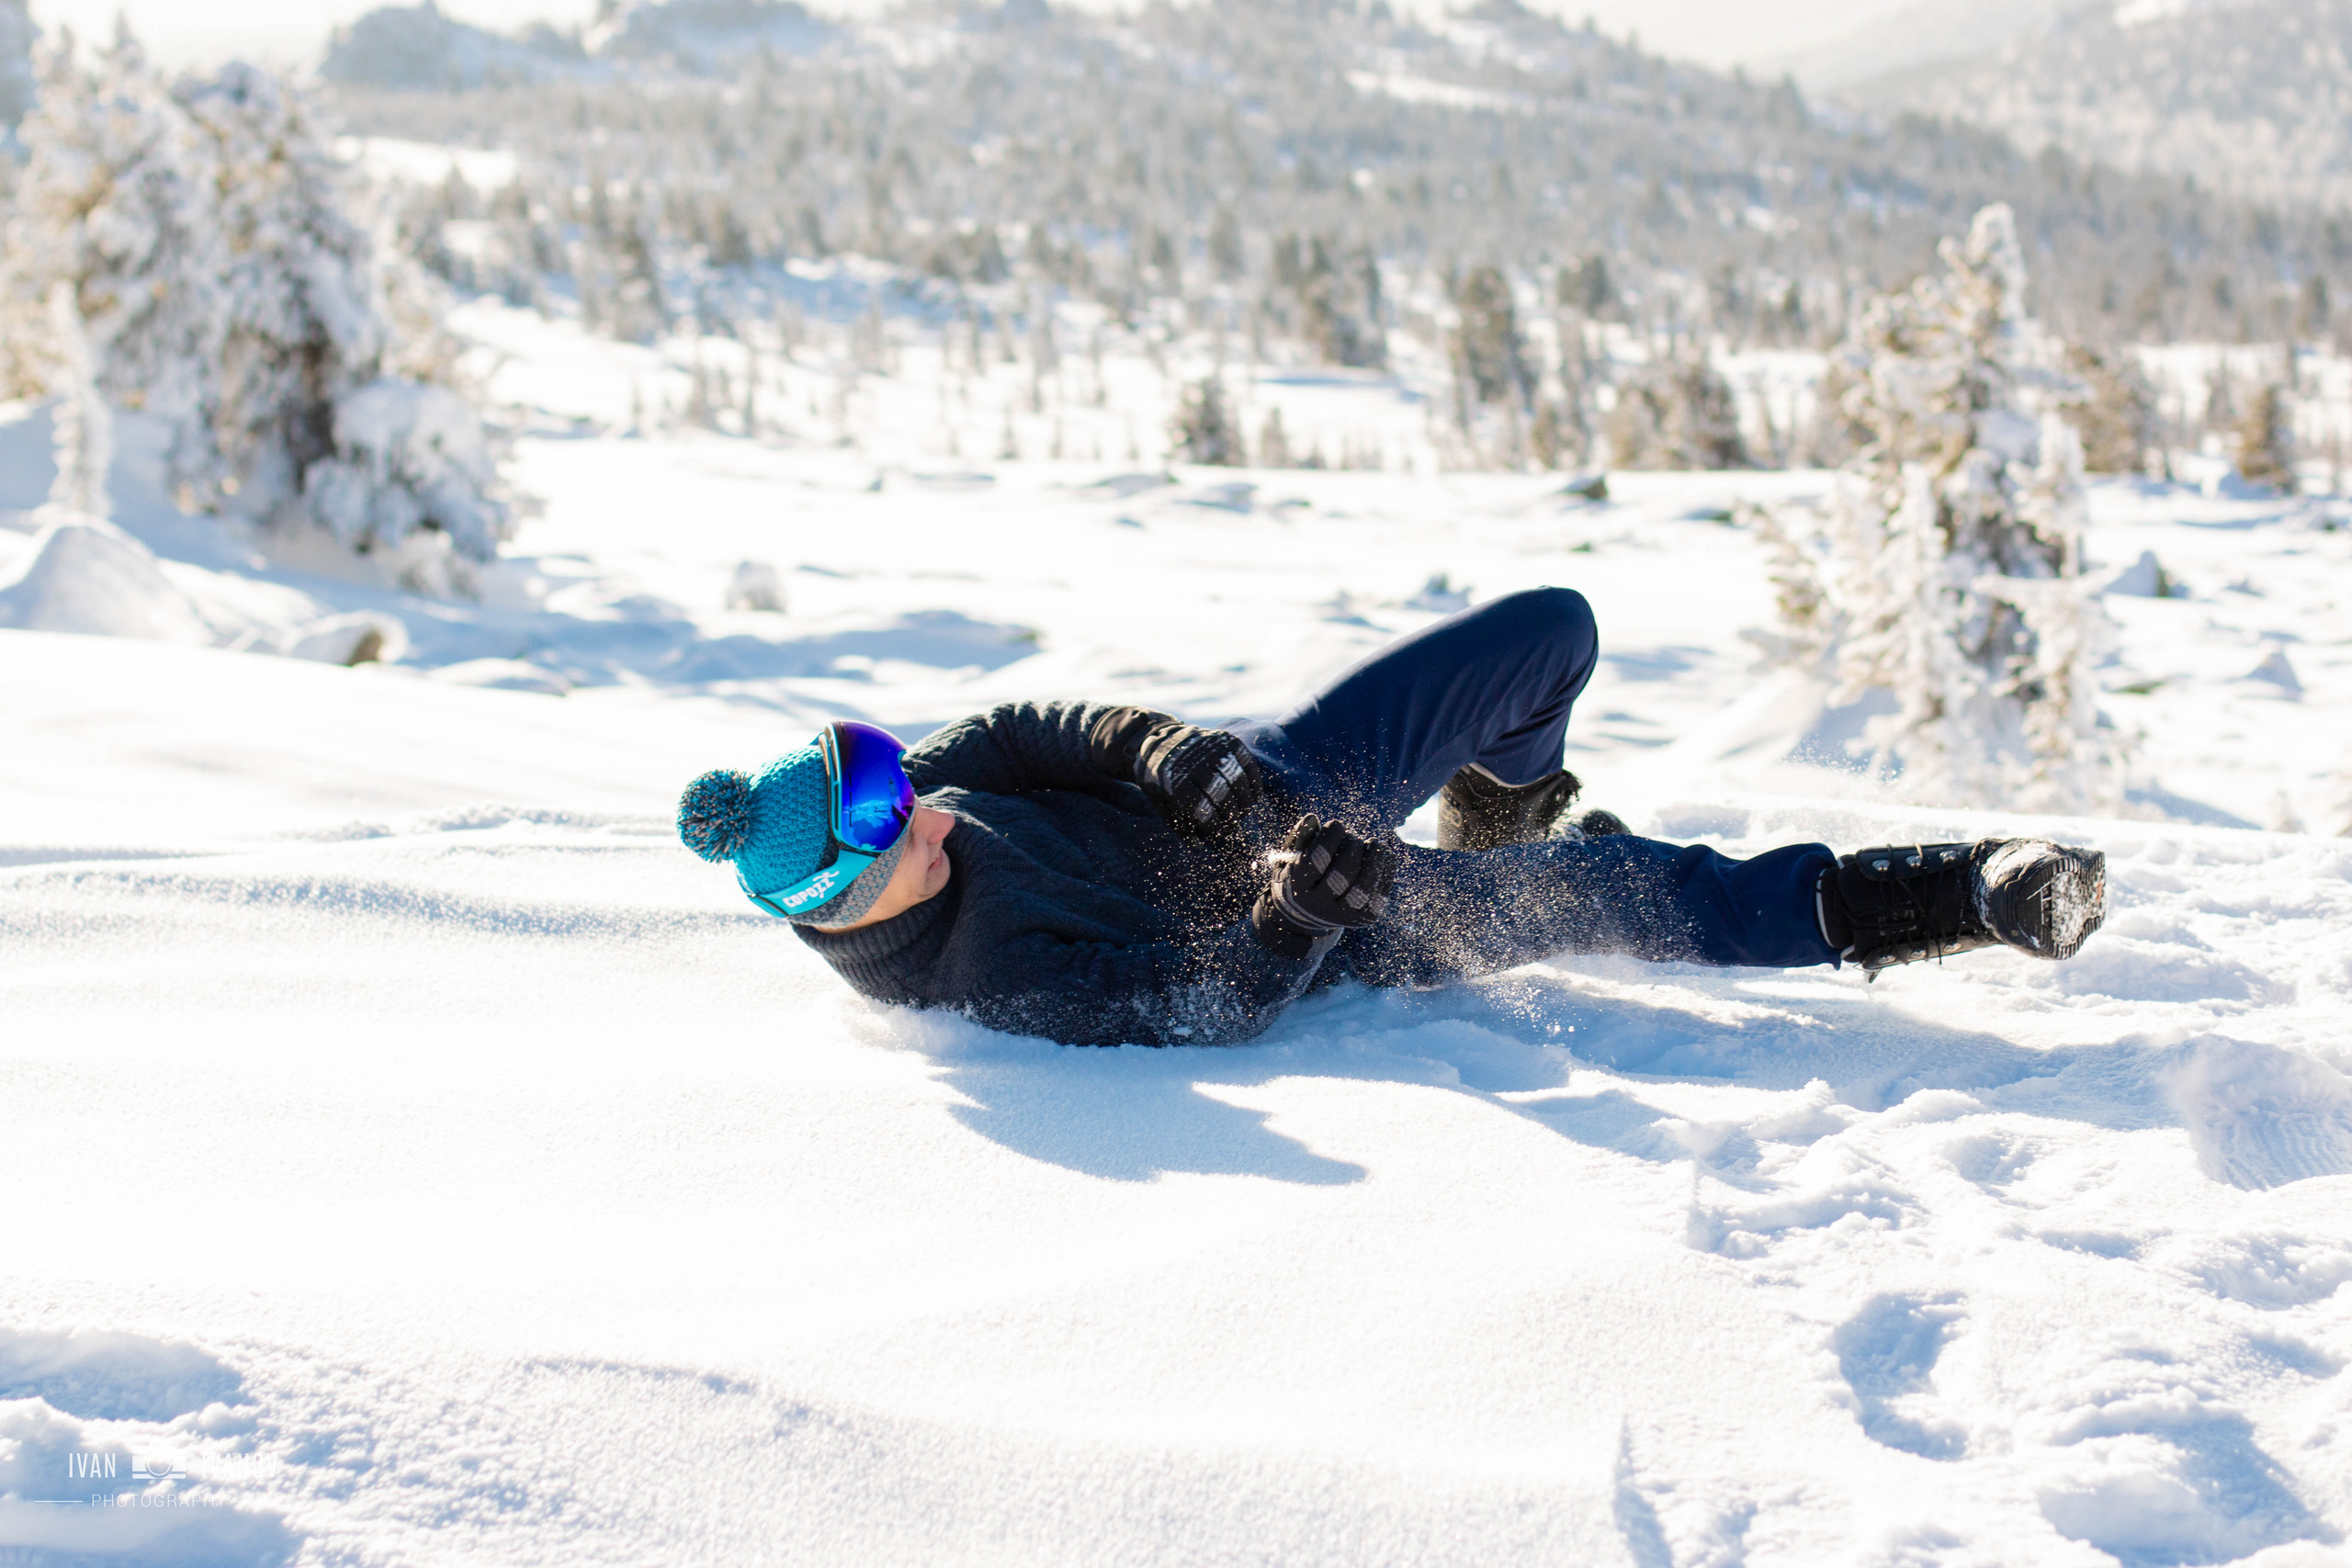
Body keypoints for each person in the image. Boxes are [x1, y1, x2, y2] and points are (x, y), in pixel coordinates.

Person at [674, 588, 2108, 1047]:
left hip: (1269, 781)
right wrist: (1299, 913)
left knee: (1549, 633)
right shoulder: (996, 980)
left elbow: (1025, 729)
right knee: (1631, 888)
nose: (922, 804)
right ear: (848, 899)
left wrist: (1171, 753)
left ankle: (1495, 825)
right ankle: (1966, 894)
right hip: (1338, 913)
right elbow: (1202, 1005)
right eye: (892, 818)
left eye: (886, 771)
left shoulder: (914, 799)